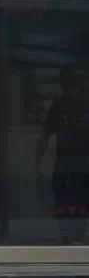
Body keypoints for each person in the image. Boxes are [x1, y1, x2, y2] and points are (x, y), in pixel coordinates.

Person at [38, 67, 89, 243]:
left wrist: (38, 158)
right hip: (66, 161)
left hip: (82, 160)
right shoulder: (59, 105)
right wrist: (37, 158)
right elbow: (46, 133)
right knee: (65, 199)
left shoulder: (83, 105)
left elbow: (45, 134)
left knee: (79, 199)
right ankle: (69, 236)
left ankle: (77, 236)